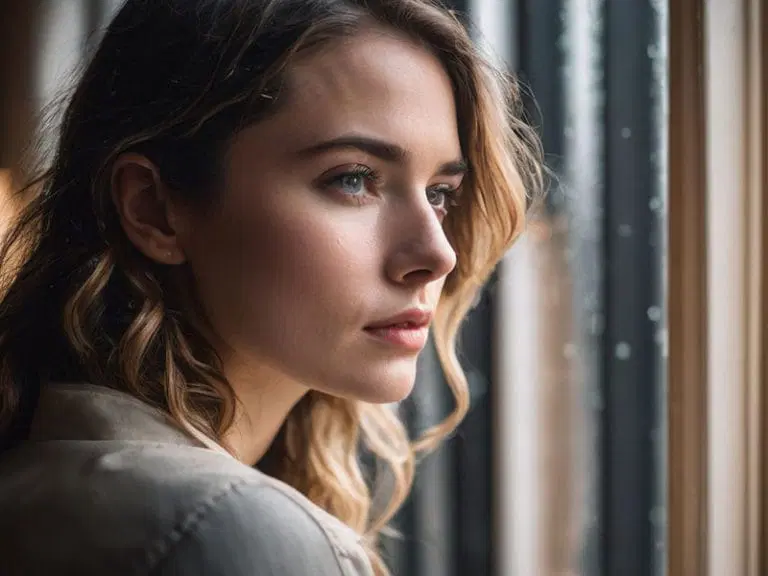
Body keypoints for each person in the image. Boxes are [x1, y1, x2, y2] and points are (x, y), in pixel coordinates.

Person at [0, 0, 541, 574]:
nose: (438, 254)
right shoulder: (229, 529)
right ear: (154, 208)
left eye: (440, 194)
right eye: (353, 179)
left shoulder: (47, 475)